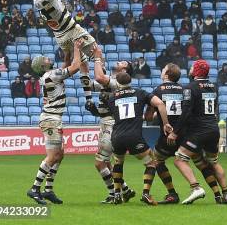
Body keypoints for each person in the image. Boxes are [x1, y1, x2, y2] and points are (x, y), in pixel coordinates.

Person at [27, 0, 96, 109]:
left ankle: (89, 99)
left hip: (60, 35)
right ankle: (101, 84)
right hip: (70, 28)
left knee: (84, 63)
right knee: (96, 52)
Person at [97, 63, 172, 205]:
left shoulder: (112, 97)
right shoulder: (140, 93)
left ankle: (117, 195)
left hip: (117, 136)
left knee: (118, 163)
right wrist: (166, 123)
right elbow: (160, 104)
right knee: (151, 163)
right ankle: (146, 193)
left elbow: (108, 113)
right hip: (134, 136)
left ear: (117, 83)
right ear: (131, 80)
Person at [166, 59, 227, 204]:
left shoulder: (190, 87)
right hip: (213, 129)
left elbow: (186, 112)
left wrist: (175, 132)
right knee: (214, 162)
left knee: (179, 159)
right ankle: (226, 194)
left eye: (192, 68)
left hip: (199, 131)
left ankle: (196, 188)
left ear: (196, 71)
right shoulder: (213, 87)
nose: (189, 70)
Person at [27, 40, 84, 205]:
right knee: (53, 156)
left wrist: (67, 52)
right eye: (44, 59)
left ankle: (48, 190)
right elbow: (74, 67)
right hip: (51, 119)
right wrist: (76, 48)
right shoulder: (51, 75)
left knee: (60, 155)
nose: (47, 58)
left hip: (52, 118)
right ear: (43, 66)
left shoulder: (49, 76)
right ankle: (35, 188)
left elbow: (65, 68)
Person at [88, 46, 135, 203]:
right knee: (106, 161)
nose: (119, 61)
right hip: (105, 122)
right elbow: (90, 83)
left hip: (111, 125)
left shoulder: (118, 83)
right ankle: (125, 190)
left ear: (125, 70)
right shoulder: (111, 81)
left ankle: (113, 194)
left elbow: (100, 78)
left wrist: (97, 58)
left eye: (123, 62)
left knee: (99, 162)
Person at [141, 63, 186, 204]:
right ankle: (221, 192)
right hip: (184, 135)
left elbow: (148, 117)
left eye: (163, 69)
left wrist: (152, 114)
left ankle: (171, 193)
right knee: (202, 162)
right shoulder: (184, 90)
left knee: (156, 161)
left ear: (166, 75)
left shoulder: (158, 90)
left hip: (167, 136)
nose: (161, 71)